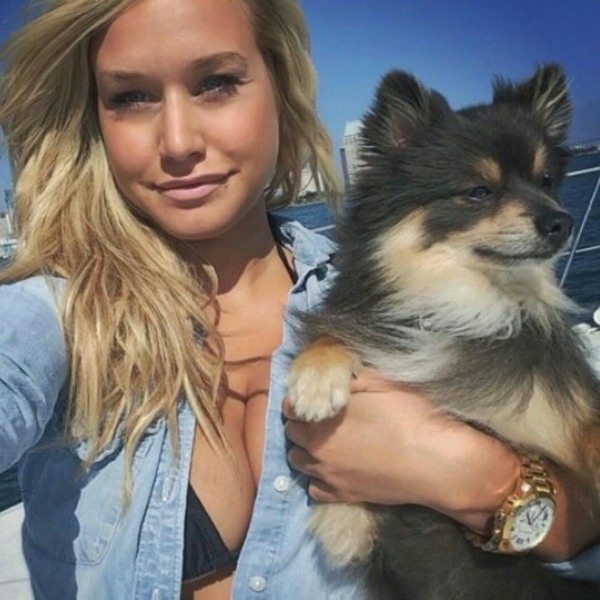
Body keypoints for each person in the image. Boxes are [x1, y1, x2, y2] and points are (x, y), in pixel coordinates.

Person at [0, 0, 599, 598]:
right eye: (131, 97)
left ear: (281, 88)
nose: (178, 142)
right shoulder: (53, 313)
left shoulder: (399, 297)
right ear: (94, 119)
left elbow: (581, 517)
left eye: (216, 83)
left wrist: (474, 478)